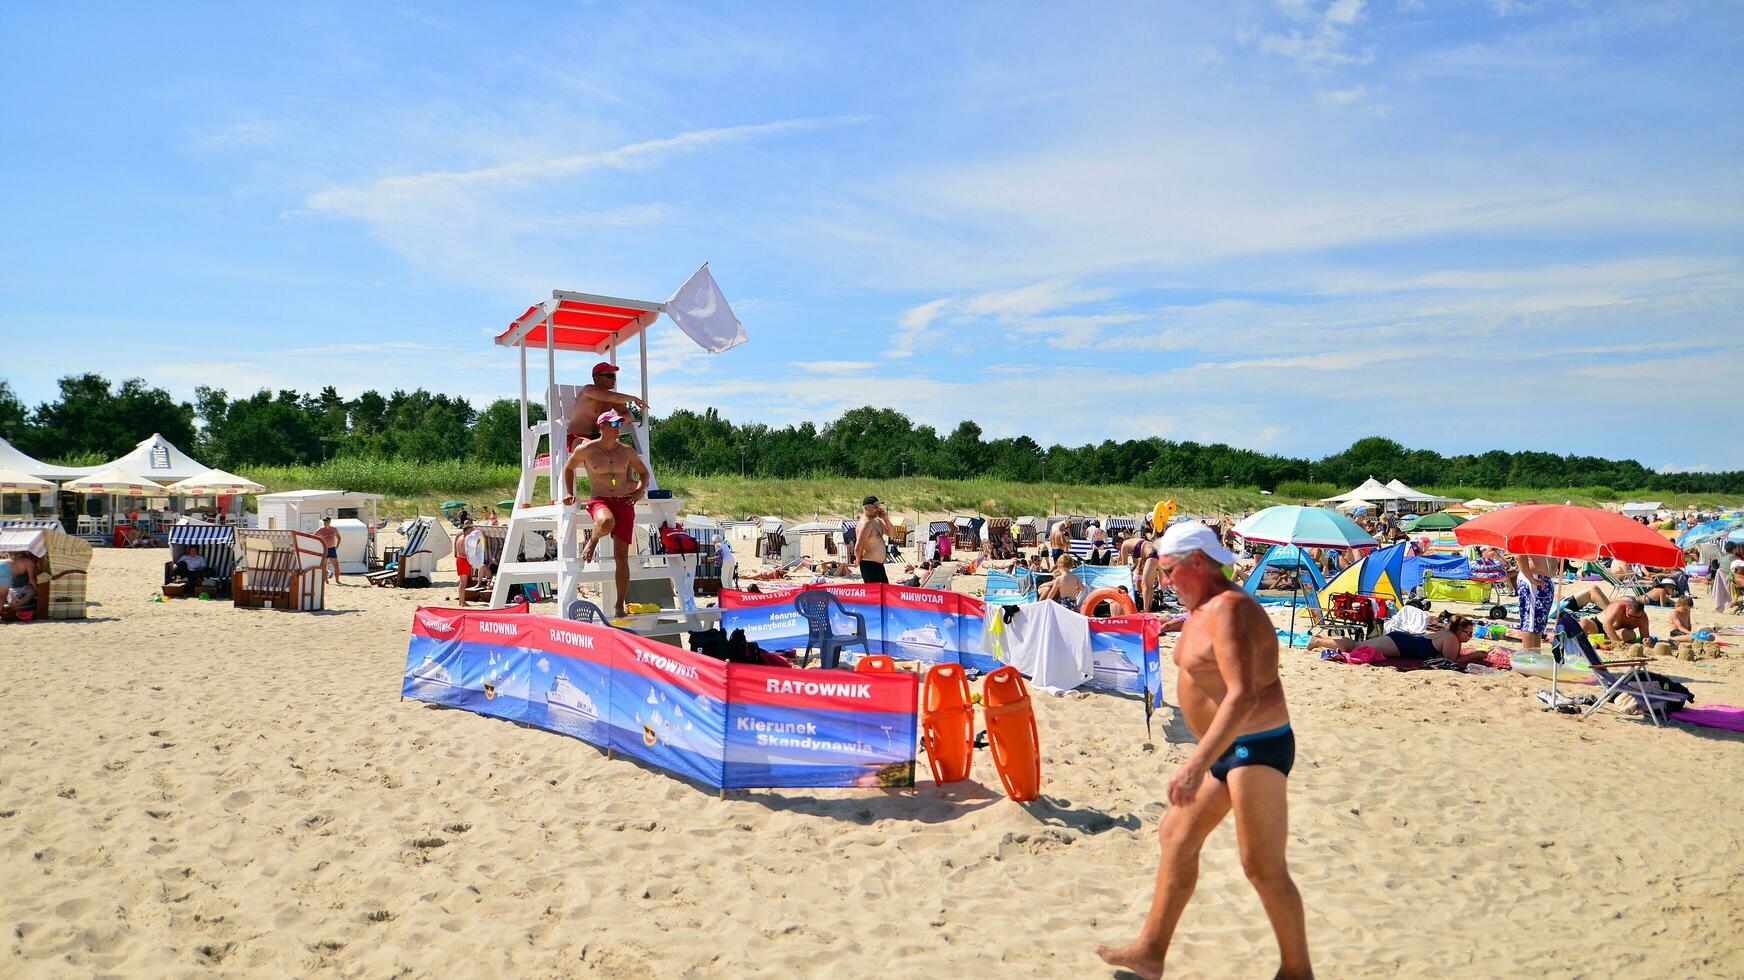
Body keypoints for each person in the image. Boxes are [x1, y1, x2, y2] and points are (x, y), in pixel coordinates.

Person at [1095, 522, 1311, 980]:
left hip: (1256, 745)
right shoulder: (1204, 606)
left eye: (1169, 571)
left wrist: (1194, 764)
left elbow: (1242, 695)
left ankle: (1298, 972)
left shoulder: (1230, 609)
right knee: (1176, 835)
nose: (1164, 580)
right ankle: (1151, 952)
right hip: (1229, 749)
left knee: (1262, 866)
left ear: (1198, 562)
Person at [561, 410, 651, 617]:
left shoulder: (626, 451)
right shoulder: (587, 450)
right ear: (602, 427)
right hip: (599, 499)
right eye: (613, 425)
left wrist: (638, 491)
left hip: (624, 501)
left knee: (622, 557)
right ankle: (592, 542)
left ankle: (619, 604)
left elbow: (644, 473)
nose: (617, 428)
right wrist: (569, 493)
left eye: (619, 424)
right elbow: (568, 468)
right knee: (606, 522)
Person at [1308, 616, 1485, 664]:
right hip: (1399, 644)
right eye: (1468, 633)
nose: (1470, 636)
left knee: (1356, 645)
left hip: (1401, 641)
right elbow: (1450, 661)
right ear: (1459, 631)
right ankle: (1318, 641)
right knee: (1354, 647)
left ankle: (1322, 639)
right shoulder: (1451, 638)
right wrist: (1474, 655)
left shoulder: (1448, 634)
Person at [565, 361, 649, 452]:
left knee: (626, 452)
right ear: (597, 377)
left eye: (614, 376)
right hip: (576, 438)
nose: (614, 380)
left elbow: (630, 417)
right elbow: (613, 397)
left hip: (599, 439)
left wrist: (611, 423)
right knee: (590, 446)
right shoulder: (588, 390)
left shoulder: (611, 400)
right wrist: (634, 398)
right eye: (610, 376)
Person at [1513, 553, 1555, 652]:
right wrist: (1531, 579)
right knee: (1530, 622)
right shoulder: (1529, 538)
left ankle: (1535, 655)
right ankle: (1528, 657)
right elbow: (1519, 556)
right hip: (1533, 580)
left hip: (1543, 580)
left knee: (1539, 622)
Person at [853, 496, 893, 584]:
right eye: (876, 506)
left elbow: (891, 534)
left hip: (879, 566)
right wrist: (858, 559)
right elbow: (858, 546)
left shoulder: (877, 521)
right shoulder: (865, 524)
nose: (878, 509)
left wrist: (886, 519)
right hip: (869, 565)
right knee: (874, 595)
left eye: (879, 506)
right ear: (866, 508)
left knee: (884, 594)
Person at [1578, 596, 1650, 645]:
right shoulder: (1618, 607)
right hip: (1599, 626)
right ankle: (1577, 642)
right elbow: (1606, 625)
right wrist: (1617, 643)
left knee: (1631, 635)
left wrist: (1646, 642)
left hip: (1615, 633)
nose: (1632, 618)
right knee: (1584, 621)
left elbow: (1645, 637)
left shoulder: (1643, 618)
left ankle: (1603, 639)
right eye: (1630, 615)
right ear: (1627, 608)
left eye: (1636, 617)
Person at [455, 520, 483, 607]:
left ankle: (461, 601)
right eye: (470, 531)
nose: (472, 533)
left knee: (462, 582)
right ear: (467, 531)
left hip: (460, 560)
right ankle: (463, 602)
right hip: (463, 561)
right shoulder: (464, 540)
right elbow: (465, 553)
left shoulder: (460, 538)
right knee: (463, 583)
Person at [2, 551, 38, 616]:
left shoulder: (12, 562)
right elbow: (31, 580)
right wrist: (37, 591)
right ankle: (16, 605)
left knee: (10, 594)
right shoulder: (29, 563)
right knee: (32, 592)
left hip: (13, 588)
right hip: (23, 588)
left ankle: (13, 602)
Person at [313, 517, 342, 583]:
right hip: (324, 549)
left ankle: (337, 580)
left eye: (326, 521)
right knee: (324, 566)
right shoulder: (320, 530)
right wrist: (318, 547)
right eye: (324, 521)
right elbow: (313, 537)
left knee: (336, 565)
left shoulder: (334, 529)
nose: (325, 522)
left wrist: (337, 545)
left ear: (329, 521)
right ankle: (326, 580)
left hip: (332, 549)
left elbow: (339, 538)